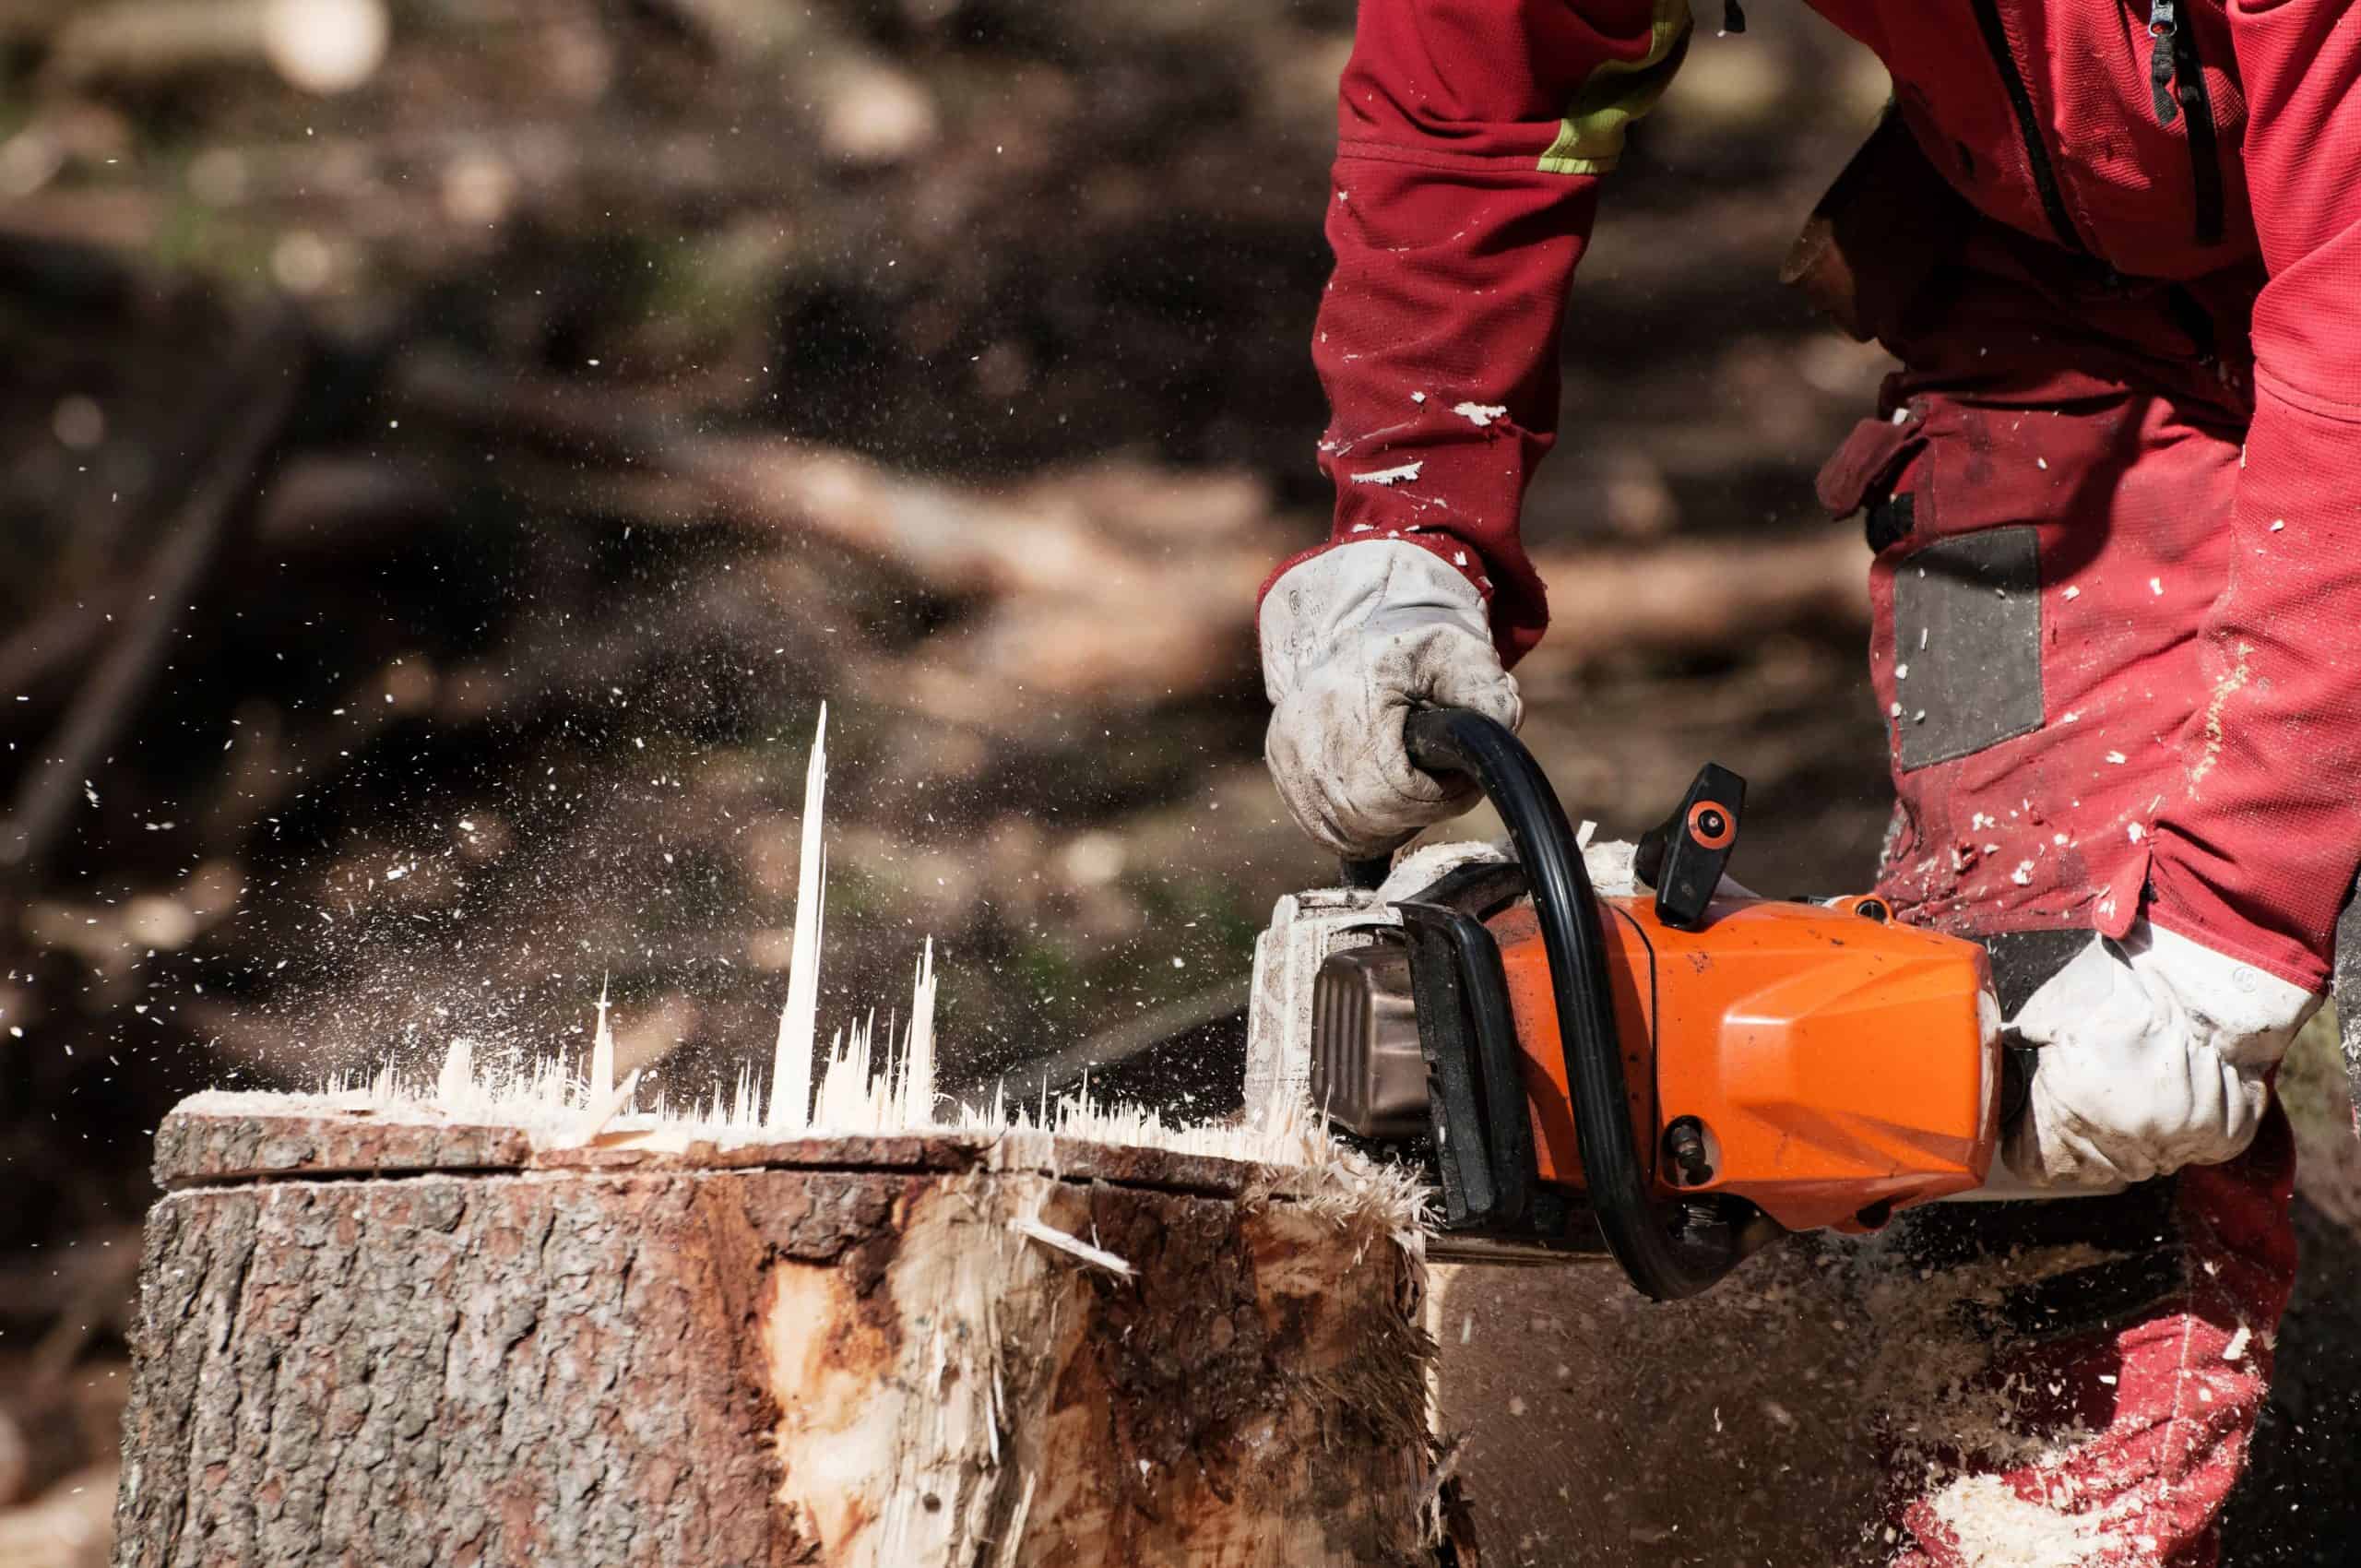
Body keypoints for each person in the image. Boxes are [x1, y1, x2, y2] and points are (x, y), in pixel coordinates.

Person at [1257, 4, 2360, 1562]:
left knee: (2240, 950)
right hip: (2058, 331)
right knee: (2011, 1003)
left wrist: (2236, 920)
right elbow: (1482, 84)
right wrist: (1408, 514)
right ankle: (2017, 1521)